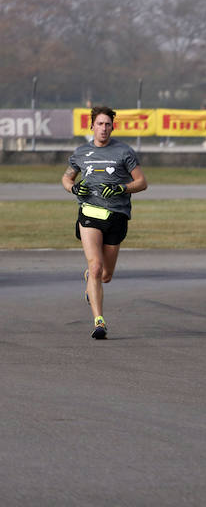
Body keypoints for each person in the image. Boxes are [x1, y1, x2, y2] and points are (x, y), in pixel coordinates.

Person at [61, 105, 148, 339]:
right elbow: (67, 177)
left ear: (113, 127)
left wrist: (122, 187)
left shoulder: (124, 152)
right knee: (96, 265)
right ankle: (99, 321)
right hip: (89, 212)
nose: (104, 128)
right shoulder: (81, 153)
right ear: (92, 126)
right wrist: (73, 188)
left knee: (105, 275)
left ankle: (91, 280)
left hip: (117, 215)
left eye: (108, 124)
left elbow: (141, 182)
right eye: (99, 124)